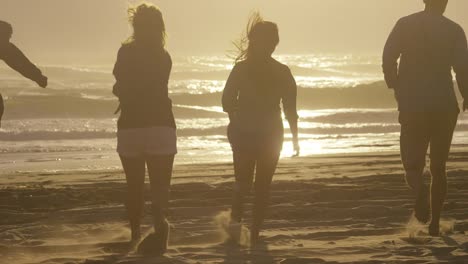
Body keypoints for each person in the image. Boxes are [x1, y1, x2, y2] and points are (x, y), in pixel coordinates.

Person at [383, 0, 468, 236]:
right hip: (444, 103)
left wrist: (395, 85)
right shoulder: (454, 29)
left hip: (413, 104)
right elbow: (463, 67)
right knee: (439, 166)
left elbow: (388, 57)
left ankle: (420, 191)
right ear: (446, 2)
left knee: (412, 164)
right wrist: (467, 94)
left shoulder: (406, 24)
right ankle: (434, 224)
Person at [222, 12, 300, 245]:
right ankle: (254, 234)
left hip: (244, 132)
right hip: (271, 134)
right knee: (262, 186)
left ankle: (236, 230)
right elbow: (290, 110)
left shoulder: (240, 69)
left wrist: (237, 117)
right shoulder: (282, 71)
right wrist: (296, 139)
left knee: (242, 182)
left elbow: (226, 101)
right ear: (274, 45)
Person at [112, 3, 176, 254]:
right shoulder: (163, 57)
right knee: (160, 185)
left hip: (131, 126)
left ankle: (136, 233)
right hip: (160, 125)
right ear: (160, 28)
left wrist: (121, 91)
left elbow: (121, 83)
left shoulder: (125, 52)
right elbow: (153, 86)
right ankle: (160, 228)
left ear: (135, 27)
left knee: (134, 185)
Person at [0, 20, 48, 127]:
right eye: (7, 36)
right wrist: (38, 77)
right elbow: (19, 62)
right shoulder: (3, 45)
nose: (8, 39)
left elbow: (19, 62)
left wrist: (37, 76)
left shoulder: (4, 46)